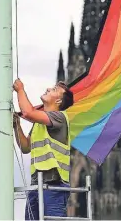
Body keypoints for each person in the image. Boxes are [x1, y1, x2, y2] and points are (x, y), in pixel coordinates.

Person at [12, 79, 74, 220]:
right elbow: (26, 146)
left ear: (58, 101)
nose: (48, 89)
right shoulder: (39, 123)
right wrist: (17, 126)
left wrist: (20, 90)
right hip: (37, 184)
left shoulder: (60, 118)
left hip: (54, 185)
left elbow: (28, 112)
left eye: (54, 90)